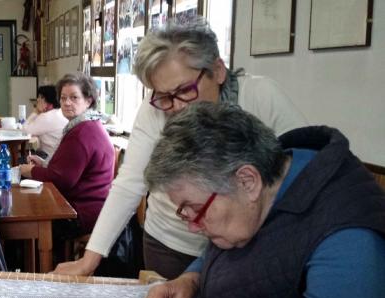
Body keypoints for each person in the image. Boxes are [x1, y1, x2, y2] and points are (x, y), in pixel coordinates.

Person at [127, 102, 385, 298]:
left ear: (247, 181)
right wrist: (192, 278)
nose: (195, 229)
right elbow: (234, 247)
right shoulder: (261, 185)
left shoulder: (347, 234)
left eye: (196, 211)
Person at [54, 19, 308, 279]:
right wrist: (89, 259)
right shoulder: (155, 108)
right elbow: (130, 183)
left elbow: (303, 167)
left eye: (184, 91)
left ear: (217, 70)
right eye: (163, 95)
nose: (175, 106)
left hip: (250, 245)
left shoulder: (260, 96)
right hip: (172, 245)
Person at [19, 73, 114, 239]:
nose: (67, 103)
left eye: (74, 97)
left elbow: (62, 180)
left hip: (80, 213)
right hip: (97, 209)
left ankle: (42, 263)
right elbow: (67, 169)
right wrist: (43, 165)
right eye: (63, 98)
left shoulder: (81, 133)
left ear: (88, 100)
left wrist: (28, 171)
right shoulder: (91, 124)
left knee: (24, 225)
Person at [22, 85, 68, 163]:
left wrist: (36, 111)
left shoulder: (46, 116)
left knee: (18, 161)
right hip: (60, 157)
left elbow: (24, 131)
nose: (37, 100)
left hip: (51, 160)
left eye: (40, 97)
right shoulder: (59, 112)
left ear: (45, 99)